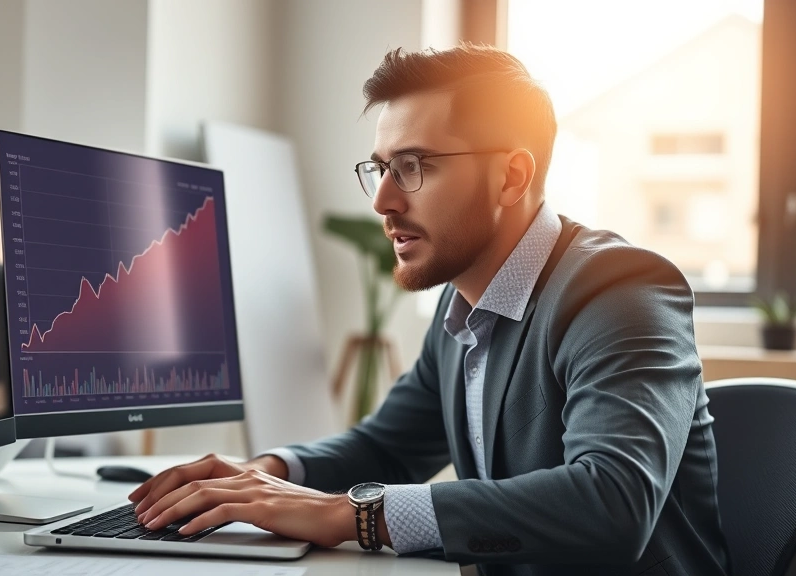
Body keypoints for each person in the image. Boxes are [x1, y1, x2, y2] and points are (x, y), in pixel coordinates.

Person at [130, 43, 730, 576]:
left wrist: (353, 515)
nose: (384, 201)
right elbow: (387, 448)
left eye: (413, 167)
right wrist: (263, 474)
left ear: (511, 176)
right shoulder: (464, 300)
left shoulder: (620, 290)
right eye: (382, 169)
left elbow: (612, 504)